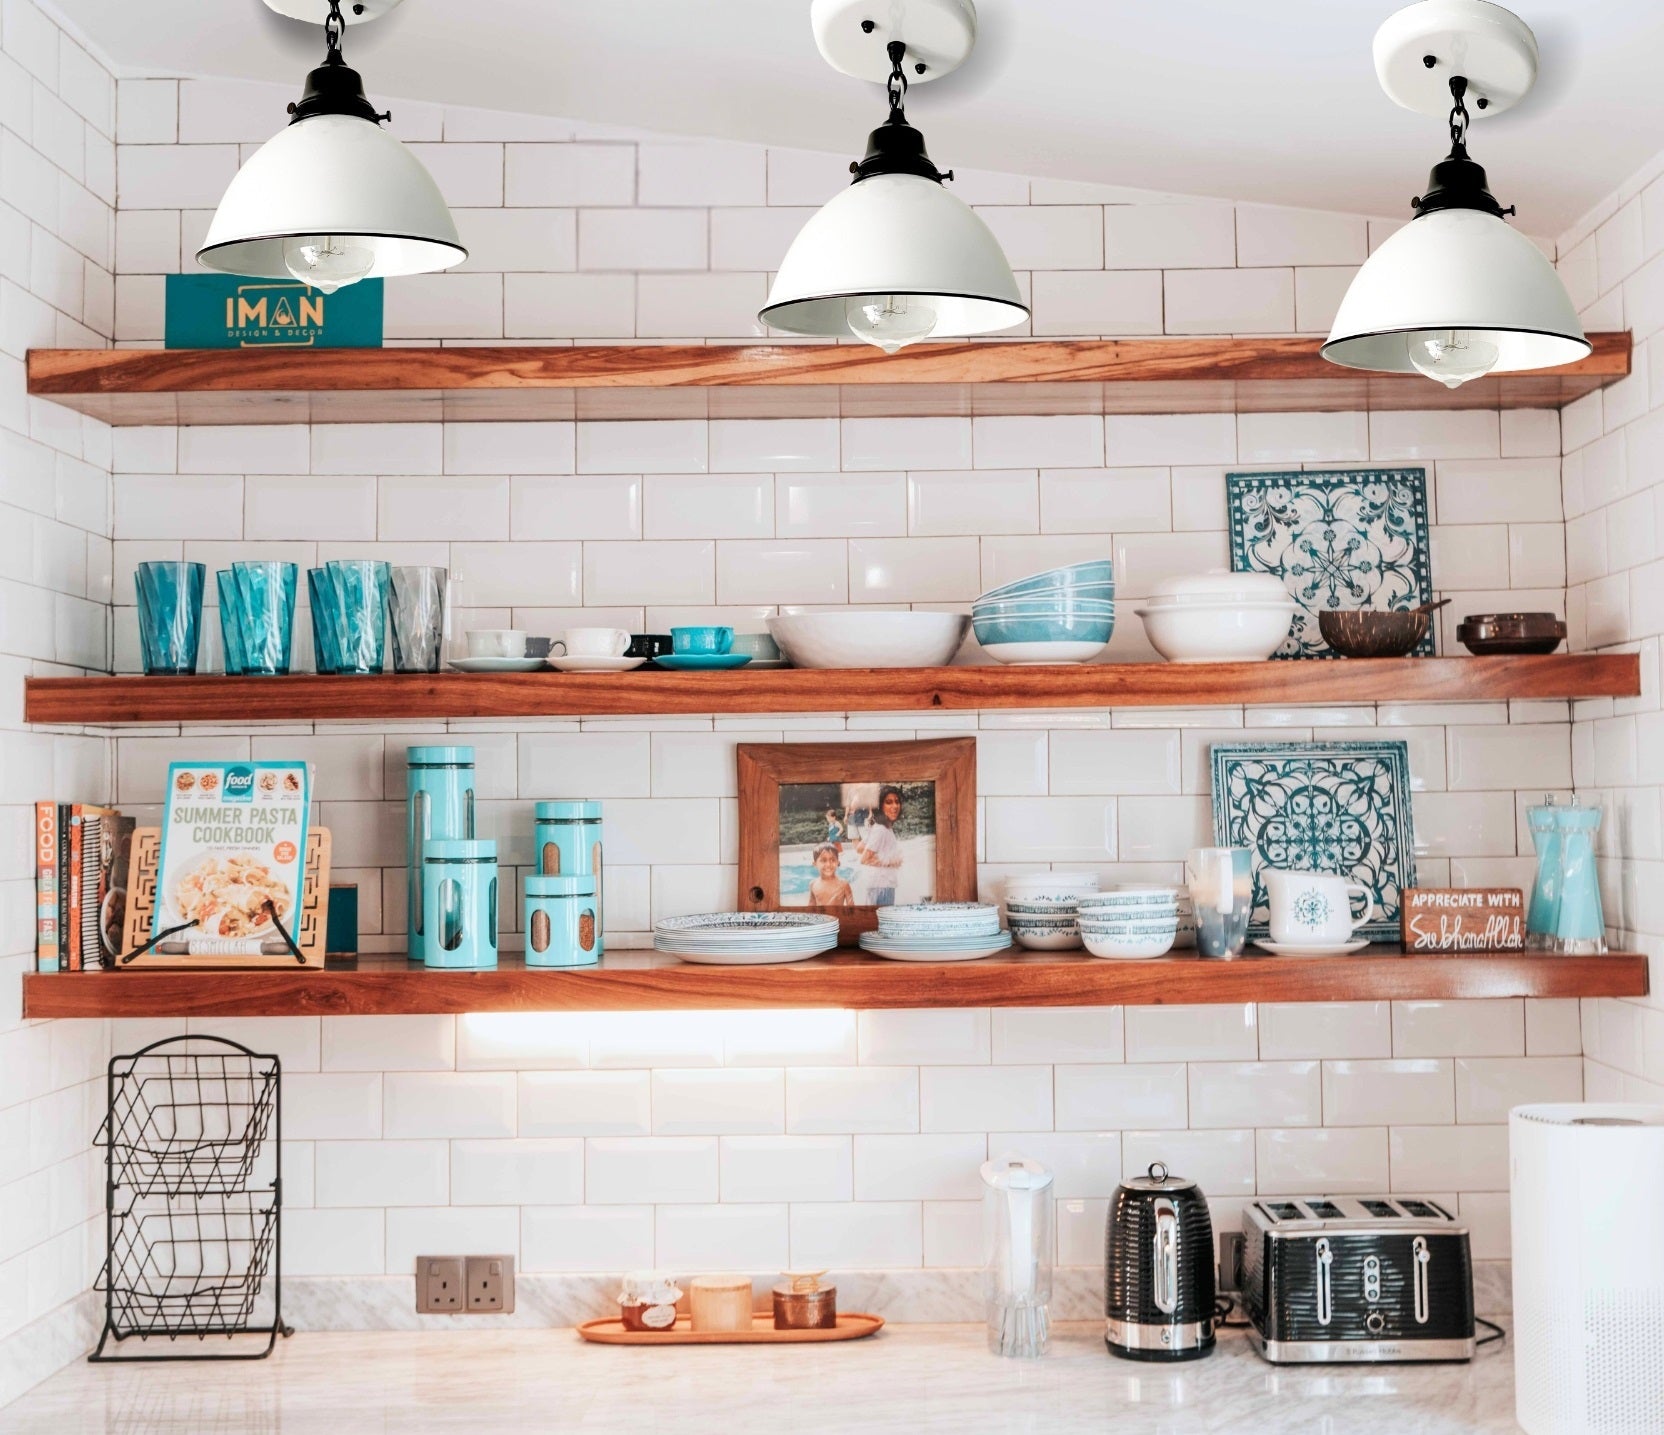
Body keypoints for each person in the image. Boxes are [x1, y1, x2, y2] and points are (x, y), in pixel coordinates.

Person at [854, 785, 905, 906]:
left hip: (877, 885)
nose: (895, 806)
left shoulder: (880, 827)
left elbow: (860, 848)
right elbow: (865, 859)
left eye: (897, 802)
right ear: (880, 806)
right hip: (882, 887)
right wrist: (891, 862)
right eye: (888, 802)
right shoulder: (881, 829)